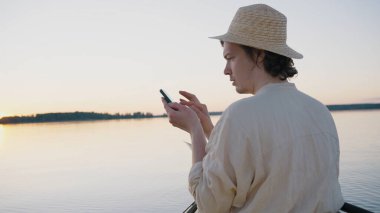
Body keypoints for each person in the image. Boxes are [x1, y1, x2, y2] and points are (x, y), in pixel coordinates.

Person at [162, 4, 344, 212]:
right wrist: (209, 129)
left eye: (230, 58)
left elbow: (208, 203)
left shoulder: (240, 114)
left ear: (259, 55)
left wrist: (194, 130)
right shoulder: (320, 110)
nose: (225, 70)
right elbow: (258, 159)